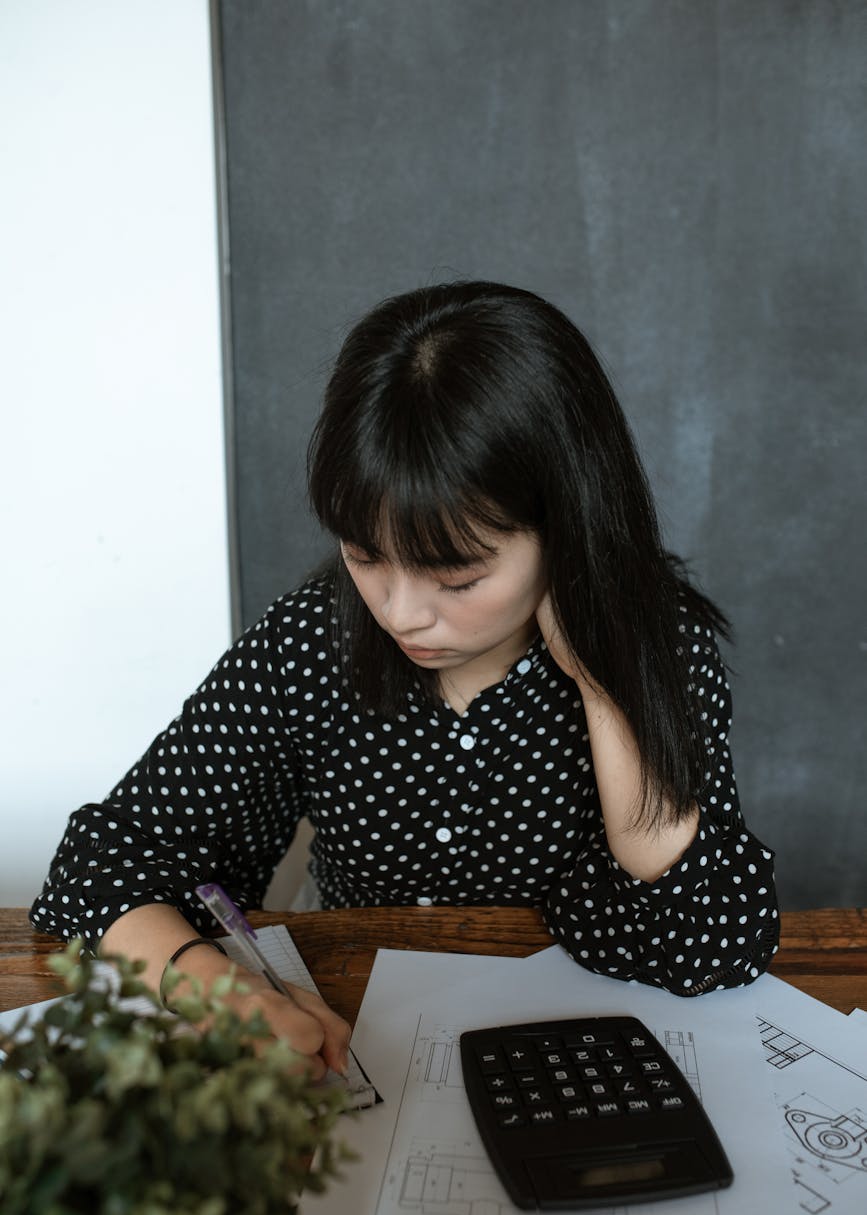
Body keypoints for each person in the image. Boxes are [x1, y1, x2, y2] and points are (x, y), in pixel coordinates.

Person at [30, 280, 779, 1079]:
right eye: (364, 556)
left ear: (565, 526)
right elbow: (100, 864)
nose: (399, 613)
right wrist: (222, 994)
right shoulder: (311, 641)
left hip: (564, 1057)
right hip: (358, 1039)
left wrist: (602, 682)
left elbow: (713, 940)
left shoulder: (661, 644)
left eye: (456, 578)